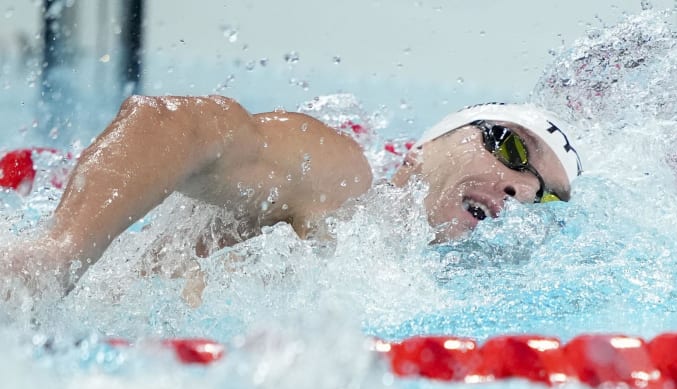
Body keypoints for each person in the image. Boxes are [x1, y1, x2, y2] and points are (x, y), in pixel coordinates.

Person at [4, 95, 582, 296]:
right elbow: (174, 124)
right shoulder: (341, 180)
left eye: (541, 195)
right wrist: (62, 249)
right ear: (423, 147)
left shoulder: (421, 278)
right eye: (510, 149)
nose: (520, 188)